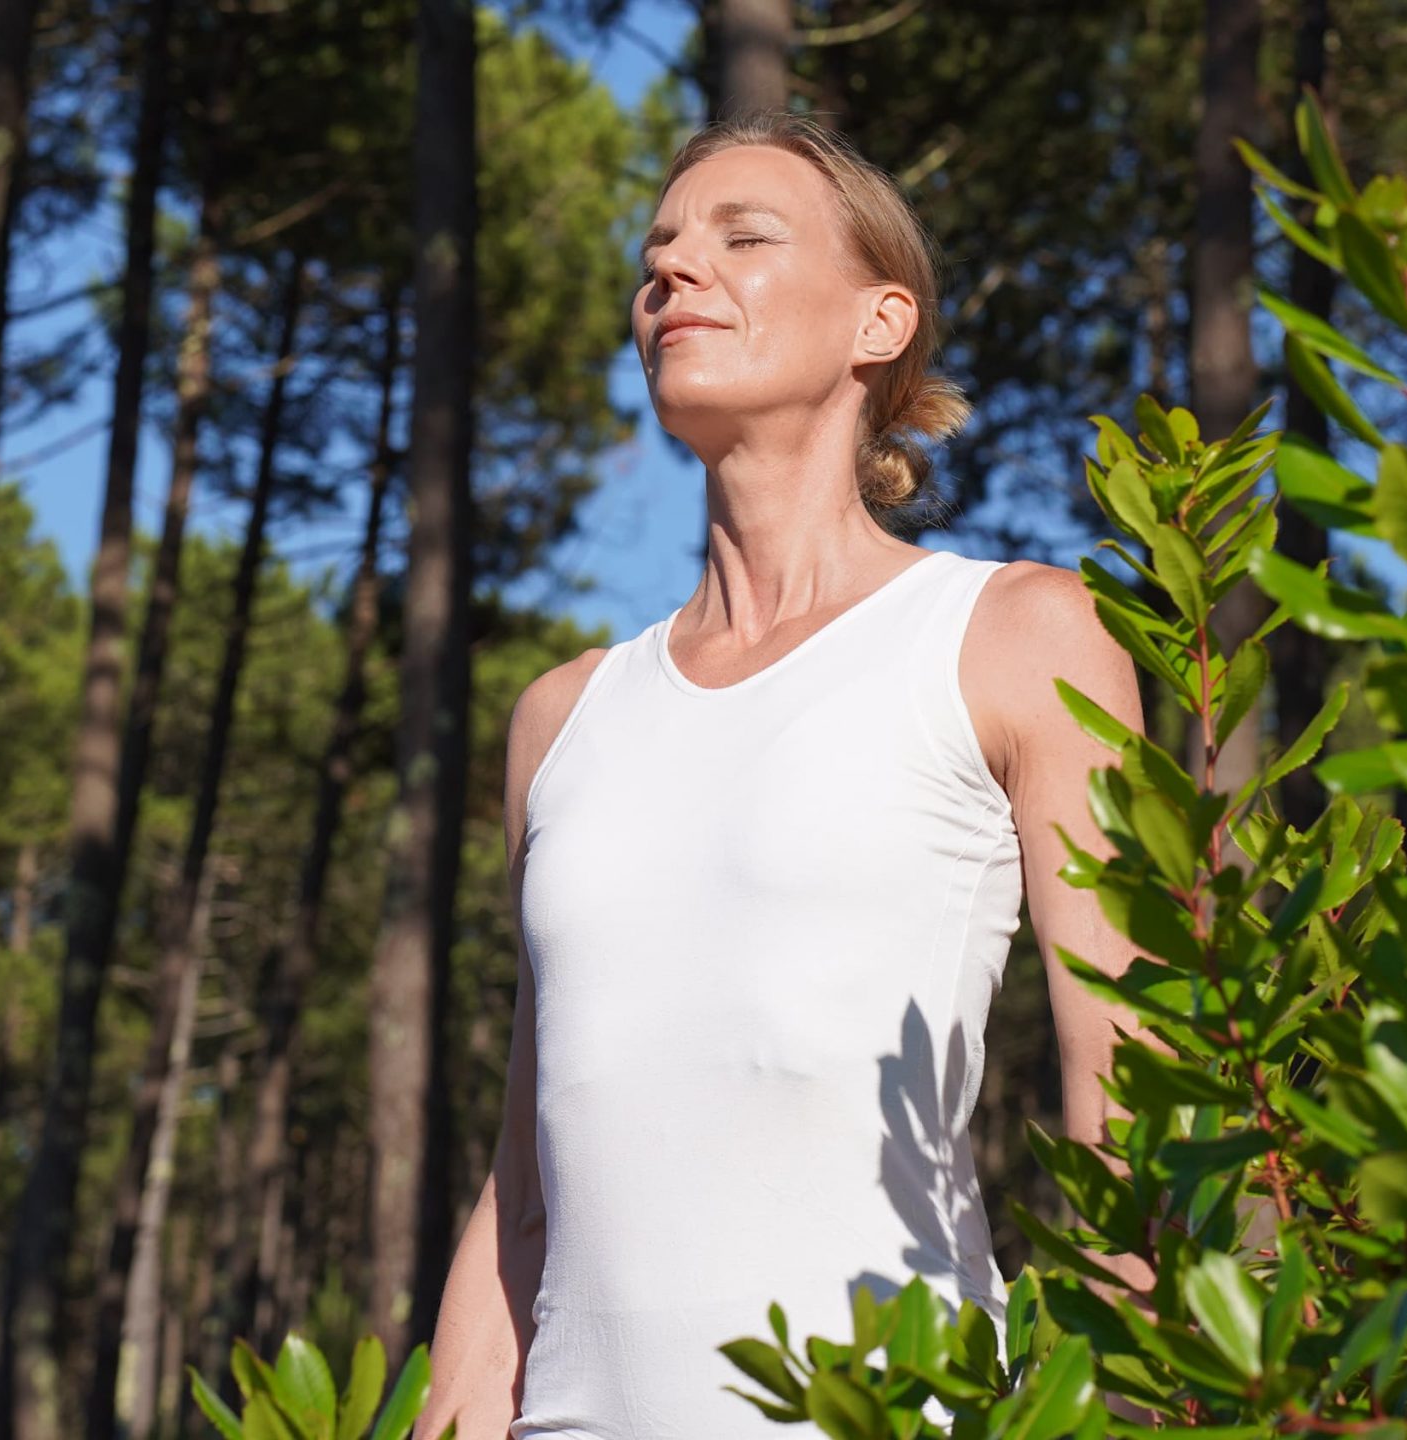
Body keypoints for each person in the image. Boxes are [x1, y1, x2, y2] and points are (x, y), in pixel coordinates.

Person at [415, 111, 1152, 1440]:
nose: (673, 272)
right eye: (658, 253)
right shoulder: (563, 717)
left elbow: (1132, 1082)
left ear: (879, 323)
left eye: (742, 238)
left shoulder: (1014, 637)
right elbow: (532, 1165)